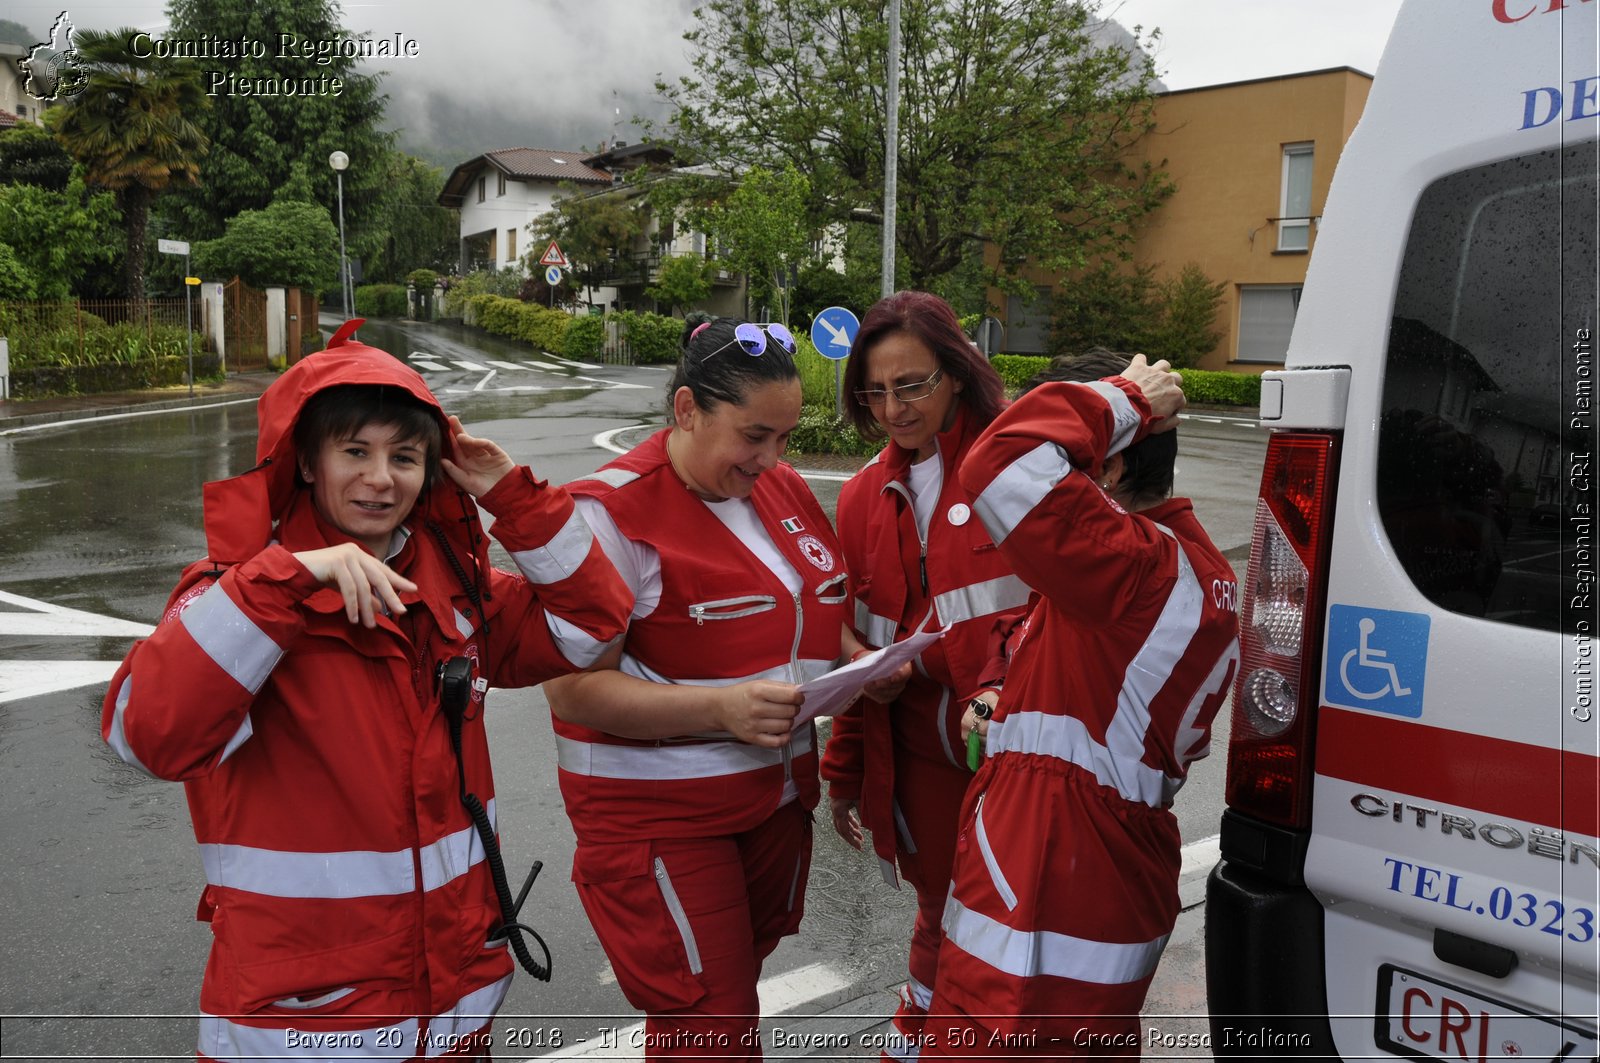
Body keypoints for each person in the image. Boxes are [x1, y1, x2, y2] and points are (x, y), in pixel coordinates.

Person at [100, 321, 631, 1062]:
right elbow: (147, 736)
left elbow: (593, 624)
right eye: (355, 451)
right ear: (309, 463)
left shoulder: (453, 590)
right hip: (304, 1025)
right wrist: (285, 580)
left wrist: (514, 495)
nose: (382, 478)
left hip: (455, 1007)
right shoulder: (238, 594)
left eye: (405, 456)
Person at [545, 318, 851, 1058]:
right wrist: (721, 708)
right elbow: (572, 690)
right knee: (709, 1026)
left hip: (771, 801)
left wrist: (866, 660)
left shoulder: (776, 489)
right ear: (686, 410)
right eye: (754, 435)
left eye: (784, 435)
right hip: (662, 817)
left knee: (719, 1009)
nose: (773, 458)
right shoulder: (608, 514)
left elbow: (813, 606)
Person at [920, 351, 1240, 1058]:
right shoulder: (1195, 565)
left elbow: (998, 465)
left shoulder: (1129, 565)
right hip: (1101, 875)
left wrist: (1125, 397)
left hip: (1045, 879)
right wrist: (1013, 698)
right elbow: (1107, 698)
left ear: (1110, 468)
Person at [819, 290, 1029, 1059]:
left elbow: (1054, 617)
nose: (892, 408)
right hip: (913, 759)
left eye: (911, 385)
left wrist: (957, 668)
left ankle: (926, 1040)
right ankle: (921, 1038)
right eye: (874, 391)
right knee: (942, 911)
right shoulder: (860, 497)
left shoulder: (1017, 473)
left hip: (1010, 755)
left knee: (991, 928)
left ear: (958, 371)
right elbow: (864, 649)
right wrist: (844, 770)